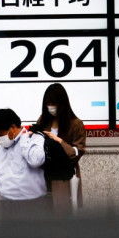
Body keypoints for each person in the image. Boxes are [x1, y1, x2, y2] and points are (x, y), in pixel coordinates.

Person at [0, 108, 48, 217]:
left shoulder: (34, 138)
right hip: (5, 207)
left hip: (31, 206)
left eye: (0, 134)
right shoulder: (0, 148)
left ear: (13, 128)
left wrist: (24, 138)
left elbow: (36, 161)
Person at [35, 83, 86, 214]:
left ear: (62, 103)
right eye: (48, 103)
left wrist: (59, 142)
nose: (51, 107)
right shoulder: (43, 121)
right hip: (43, 174)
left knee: (63, 214)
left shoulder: (76, 124)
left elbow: (77, 153)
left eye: (54, 103)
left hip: (65, 177)